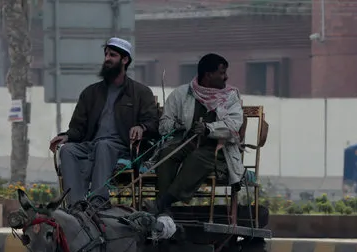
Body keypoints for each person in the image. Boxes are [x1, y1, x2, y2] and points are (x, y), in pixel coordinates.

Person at [49, 37, 159, 204]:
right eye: (106, 54)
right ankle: (76, 206)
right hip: (92, 145)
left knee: (104, 146)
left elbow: (153, 122)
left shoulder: (140, 92)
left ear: (125, 59)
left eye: (112, 55)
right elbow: (78, 127)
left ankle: (97, 203)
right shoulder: (91, 93)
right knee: (67, 150)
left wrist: (141, 127)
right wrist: (66, 136)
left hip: (122, 146)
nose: (107, 58)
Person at [146, 53, 244, 215]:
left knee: (198, 157)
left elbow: (233, 127)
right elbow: (164, 126)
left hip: (219, 152)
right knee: (167, 154)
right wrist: (179, 125)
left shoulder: (230, 97)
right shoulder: (181, 94)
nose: (226, 77)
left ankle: (163, 203)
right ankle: (166, 213)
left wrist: (208, 129)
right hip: (186, 144)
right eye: (222, 73)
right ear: (208, 75)